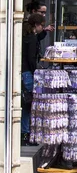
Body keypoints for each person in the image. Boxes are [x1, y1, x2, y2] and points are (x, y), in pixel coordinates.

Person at [21, 13, 46, 144]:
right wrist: (35, 71)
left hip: (23, 71)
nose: (43, 27)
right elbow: (31, 58)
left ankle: (24, 133)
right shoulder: (32, 38)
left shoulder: (25, 35)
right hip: (27, 73)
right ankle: (26, 133)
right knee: (28, 104)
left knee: (25, 103)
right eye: (42, 25)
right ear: (36, 25)